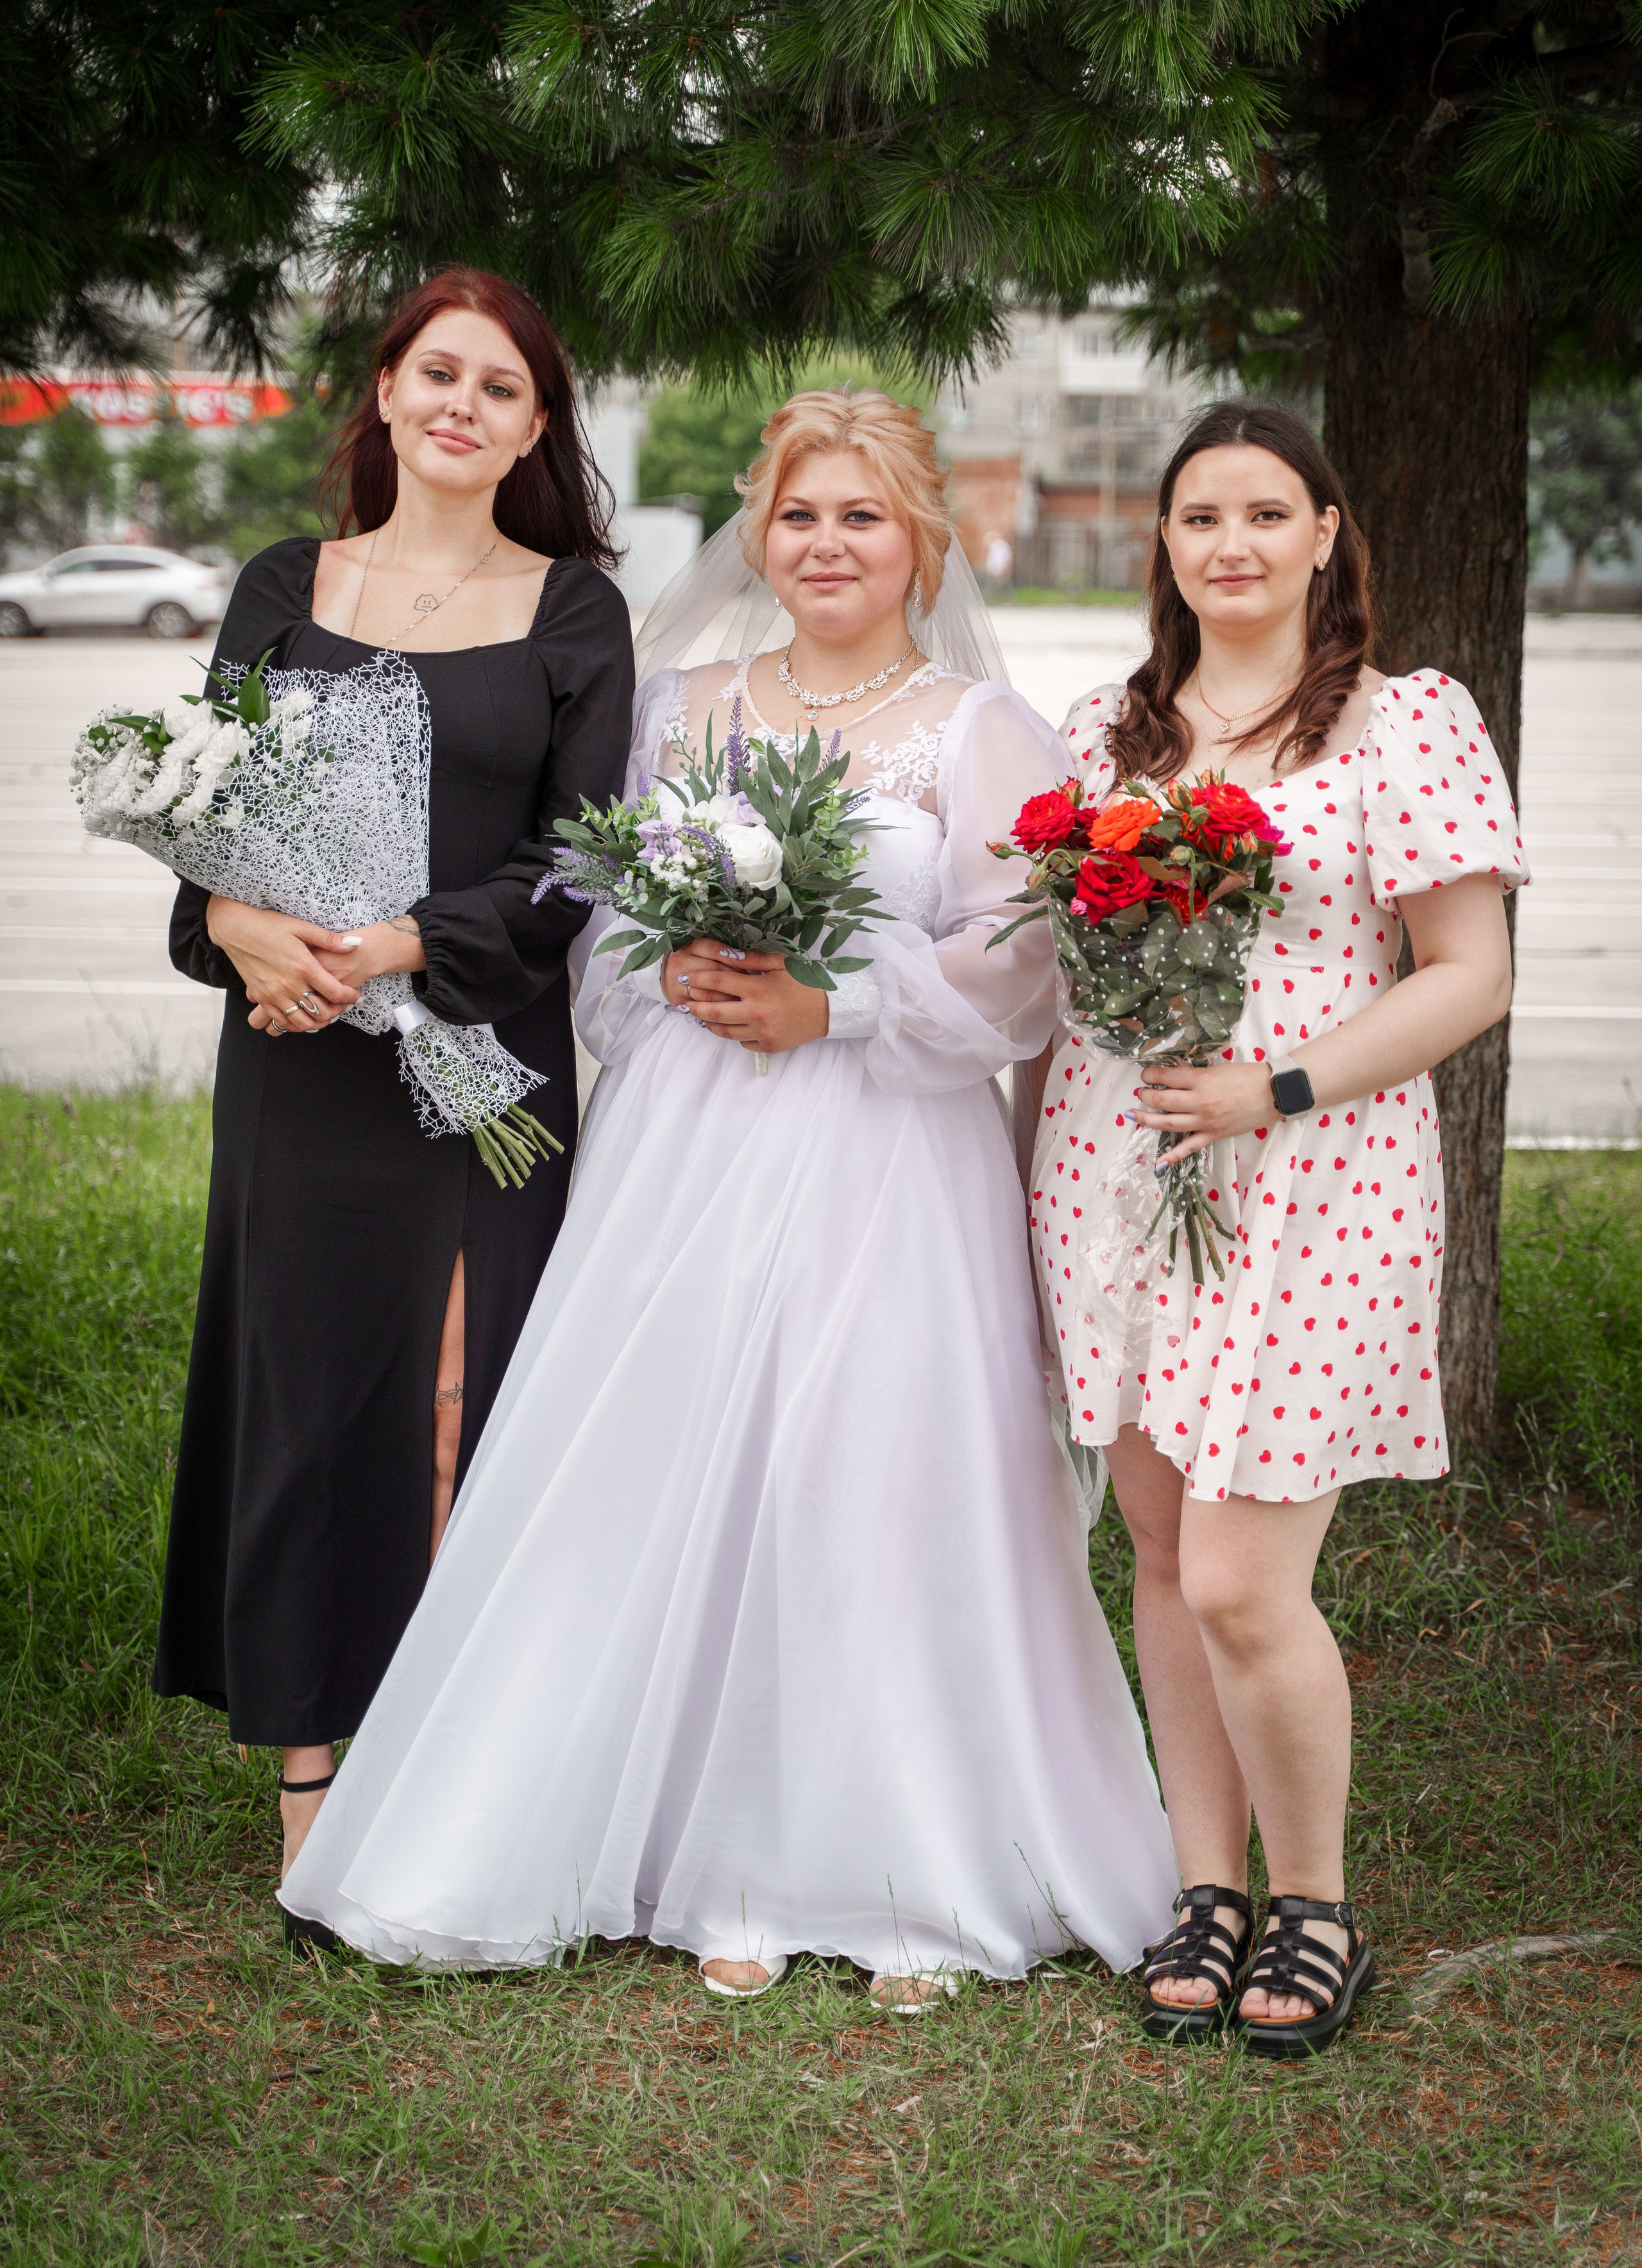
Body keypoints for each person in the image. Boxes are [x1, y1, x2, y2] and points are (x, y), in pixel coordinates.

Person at [280, 391, 1178, 2003]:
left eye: (861, 518)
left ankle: (898, 1863)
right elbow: (595, 913)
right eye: (797, 515)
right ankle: (703, 1848)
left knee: (871, 1471)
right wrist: (678, 966)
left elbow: (1024, 958)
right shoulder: (683, 707)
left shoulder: (977, 732)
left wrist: (835, 1001)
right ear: (756, 534)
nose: (824, 546)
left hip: (886, 1155)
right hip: (689, 1143)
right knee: (674, 1449)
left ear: (922, 541)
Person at [1030, 402, 1526, 2057]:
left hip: (1318, 1176)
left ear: (1327, 536)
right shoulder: (1110, 736)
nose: (1230, 543)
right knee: (1163, 1556)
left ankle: (1313, 1908)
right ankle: (1205, 1886)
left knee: (1246, 1575)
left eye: (1265, 513)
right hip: (1121, 1169)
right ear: (1163, 548)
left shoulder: (1405, 728)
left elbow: (1469, 976)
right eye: (1197, 518)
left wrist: (1278, 1089)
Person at [154, 269, 635, 1896]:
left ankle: (453, 1760)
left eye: (500, 390)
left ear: (534, 429)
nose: (461, 406)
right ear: (382, 391)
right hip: (297, 1058)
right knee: (305, 1403)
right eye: (438, 373)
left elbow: (578, 870)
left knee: (454, 1407)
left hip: (478, 1052)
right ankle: (309, 1777)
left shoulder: (572, 609)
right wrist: (235, 919)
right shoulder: (286, 583)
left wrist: (396, 946)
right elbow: (199, 802)